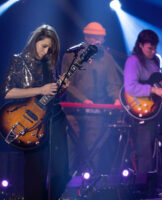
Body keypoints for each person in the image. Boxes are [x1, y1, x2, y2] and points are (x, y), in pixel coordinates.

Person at [1, 25, 70, 199]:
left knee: (62, 171)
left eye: (50, 49)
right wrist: (41, 90)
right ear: (35, 42)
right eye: (44, 46)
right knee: (35, 174)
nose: (47, 52)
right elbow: (7, 92)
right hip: (30, 124)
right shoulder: (18, 60)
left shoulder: (50, 65)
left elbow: (50, 96)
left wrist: (61, 89)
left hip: (53, 120)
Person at [61, 22, 122, 174]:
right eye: (97, 39)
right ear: (87, 38)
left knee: (93, 147)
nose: (100, 42)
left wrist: (116, 98)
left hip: (96, 111)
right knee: (71, 147)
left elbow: (113, 83)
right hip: (73, 110)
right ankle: (68, 184)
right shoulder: (71, 55)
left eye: (102, 39)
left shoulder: (106, 58)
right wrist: (82, 99)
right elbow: (65, 80)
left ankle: (90, 183)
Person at [124, 29, 162, 174]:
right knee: (144, 151)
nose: (153, 51)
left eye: (155, 48)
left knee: (153, 148)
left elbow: (157, 84)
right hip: (140, 111)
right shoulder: (133, 61)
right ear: (140, 45)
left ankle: (156, 182)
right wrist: (154, 90)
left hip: (153, 111)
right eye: (150, 48)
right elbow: (130, 87)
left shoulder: (154, 62)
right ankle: (144, 186)